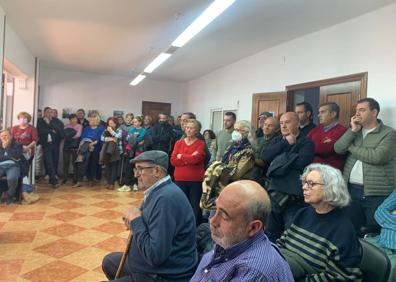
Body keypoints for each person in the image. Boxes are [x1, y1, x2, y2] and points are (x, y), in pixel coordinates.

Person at [102, 151, 198, 282]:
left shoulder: (166, 199)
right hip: (152, 266)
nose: (136, 174)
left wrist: (136, 221)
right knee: (109, 262)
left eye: (140, 169)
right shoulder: (159, 190)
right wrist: (136, 219)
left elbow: (155, 256)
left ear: (157, 171)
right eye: (136, 169)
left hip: (163, 275)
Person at [191, 180, 294, 282]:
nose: (212, 221)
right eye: (215, 209)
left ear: (253, 228)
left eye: (224, 216)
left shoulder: (254, 270)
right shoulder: (230, 242)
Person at [277, 163, 362, 281]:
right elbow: (281, 244)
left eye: (311, 184)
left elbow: (341, 278)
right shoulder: (302, 214)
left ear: (330, 188)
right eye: (305, 182)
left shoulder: (343, 230)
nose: (304, 187)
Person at [334, 98, 396, 234]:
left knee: (373, 233)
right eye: (356, 110)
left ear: (374, 112)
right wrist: (353, 130)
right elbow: (338, 148)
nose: (357, 114)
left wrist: (351, 147)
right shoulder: (355, 132)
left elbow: (377, 157)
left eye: (362, 110)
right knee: (351, 230)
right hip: (351, 190)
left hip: (376, 193)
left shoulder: (389, 133)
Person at [261, 112, 314, 242]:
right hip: (273, 194)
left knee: (291, 234)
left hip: (293, 196)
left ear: (297, 124)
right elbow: (265, 157)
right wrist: (285, 144)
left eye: (287, 122)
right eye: (281, 123)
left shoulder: (307, 143)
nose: (284, 126)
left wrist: (277, 163)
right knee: (270, 232)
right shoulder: (277, 140)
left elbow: (301, 163)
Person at [171, 119, 206, 225]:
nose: (188, 130)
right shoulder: (178, 143)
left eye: (191, 128)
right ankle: (181, 227)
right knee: (180, 205)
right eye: (187, 127)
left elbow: (197, 159)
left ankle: (195, 229)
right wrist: (190, 157)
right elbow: (173, 161)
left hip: (195, 180)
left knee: (195, 207)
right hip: (180, 179)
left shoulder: (200, 143)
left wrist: (181, 157)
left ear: (197, 131)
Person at [307, 102, 347, 170]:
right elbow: (304, 146)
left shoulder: (343, 131)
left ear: (333, 114)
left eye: (323, 112)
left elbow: (326, 149)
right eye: (319, 112)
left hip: (330, 173)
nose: (319, 115)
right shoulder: (314, 130)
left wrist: (311, 145)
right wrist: (320, 145)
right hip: (311, 170)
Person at [74, 114, 104, 187]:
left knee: (93, 164)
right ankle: (79, 181)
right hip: (85, 147)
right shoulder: (86, 128)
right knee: (82, 163)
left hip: (96, 148)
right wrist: (87, 144)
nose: (90, 121)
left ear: (96, 121)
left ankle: (91, 179)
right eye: (90, 119)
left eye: (92, 120)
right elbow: (82, 137)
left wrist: (92, 144)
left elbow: (100, 138)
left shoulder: (101, 128)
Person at [37, 107, 63, 187]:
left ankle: (53, 175)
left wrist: (49, 124)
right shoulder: (40, 121)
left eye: (51, 112)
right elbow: (40, 131)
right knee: (49, 162)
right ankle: (53, 181)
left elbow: (59, 130)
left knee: (55, 160)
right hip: (46, 144)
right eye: (47, 112)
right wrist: (51, 130)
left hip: (55, 143)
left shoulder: (56, 121)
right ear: (44, 113)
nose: (49, 113)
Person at [252, 116, 280, 187]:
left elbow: (265, 163)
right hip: (252, 174)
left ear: (277, 129)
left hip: (265, 178)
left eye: (270, 126)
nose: (266, 127)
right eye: (265, 125)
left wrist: (249, 158)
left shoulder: (278, 143)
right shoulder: (257, 140)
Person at [0, 130, 23, 205]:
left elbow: (17, 156)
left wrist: (6, 147)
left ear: (11, 136)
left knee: (12, 178)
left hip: (13, 165)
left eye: (6, 135)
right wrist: (10, 157)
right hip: (1, 165)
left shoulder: (17, 144)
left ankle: (10, 195)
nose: (4, 137)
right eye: (2, 136)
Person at [101, 117, 123, 190]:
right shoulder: (105, 130)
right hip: (107, 151)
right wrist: (110, 139)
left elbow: (118, 136)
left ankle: (112, 183)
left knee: (114, 168)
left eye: (112, 123)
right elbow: (101, 138)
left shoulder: (119, 130)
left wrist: (111, 132)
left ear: (115, 123)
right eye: (109, 123)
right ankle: (108, 182)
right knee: (108, 167)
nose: (110, 124)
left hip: (116, 151)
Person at [62, 114, 82, 184]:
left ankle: (75, 178)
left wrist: (69, 135)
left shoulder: (79, 126)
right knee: (65, 163)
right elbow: (63, 134)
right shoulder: (66, 126)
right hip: (66, 146)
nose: (73, 120)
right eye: (71, 119)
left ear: (77, 119)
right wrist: (72, 134)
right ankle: (65, 178)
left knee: (75, 163)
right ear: (69, 120)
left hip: (75, 146)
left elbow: (78, 135)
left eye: (75, 119)